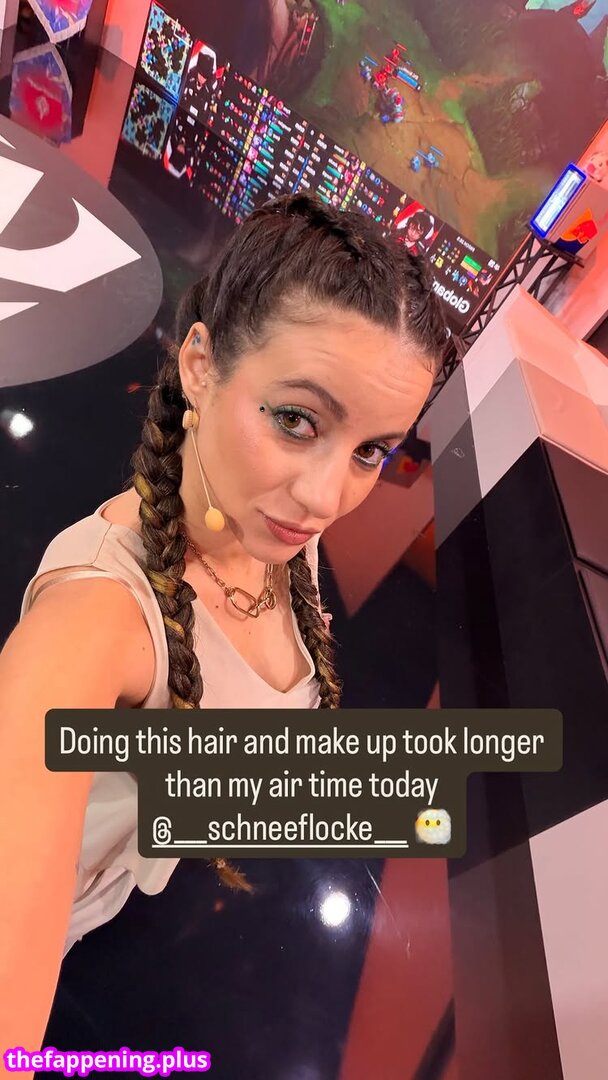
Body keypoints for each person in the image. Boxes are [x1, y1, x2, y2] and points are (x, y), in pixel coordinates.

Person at [0, 192, 446, 1054]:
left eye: (369, 451)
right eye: (296, 420)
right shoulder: (92, 625)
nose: (326, 497)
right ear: (201, 365)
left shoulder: (268, 521)